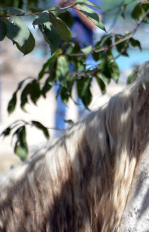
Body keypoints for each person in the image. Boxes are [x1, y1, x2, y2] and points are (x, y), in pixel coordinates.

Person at [54, 0, 102, 133]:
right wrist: (60, 5)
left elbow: (95, 24)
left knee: (83, 105)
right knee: (60, 106)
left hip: (86, 58)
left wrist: (75, 4)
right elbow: (50, 22)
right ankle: (57, 139)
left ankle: (83, 138)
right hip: (62, 58)